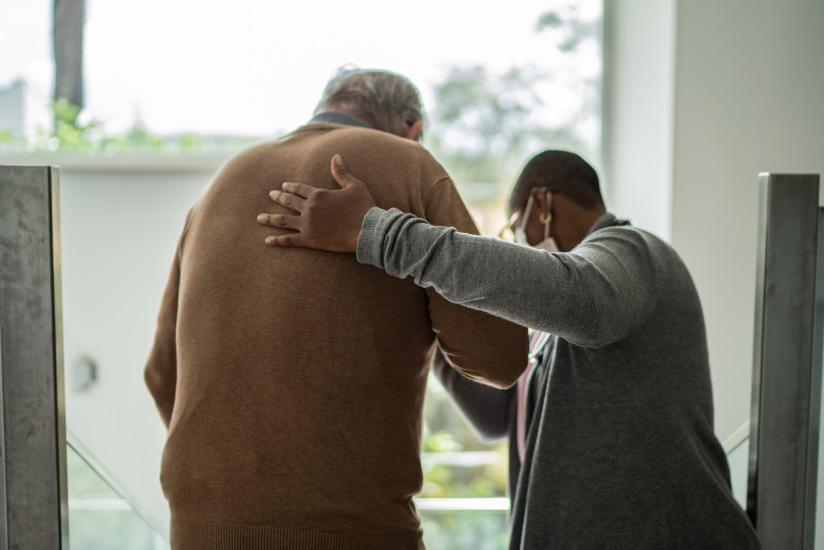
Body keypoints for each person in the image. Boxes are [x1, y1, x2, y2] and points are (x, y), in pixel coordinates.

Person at [255, 150, 762, 549]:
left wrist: (382, 235)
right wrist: (432, 306)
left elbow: (582, 301)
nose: (518, 240)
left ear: (542, 203)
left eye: (515, 226)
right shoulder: (550, 331)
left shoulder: (635, 252)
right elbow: (497, 416)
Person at [144, 67, 528, 550]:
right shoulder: (410, 164)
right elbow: (499, 355)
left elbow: (161, 375)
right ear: (414, 130)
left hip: (200, 529)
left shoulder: (218, 187)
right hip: (352, 530)